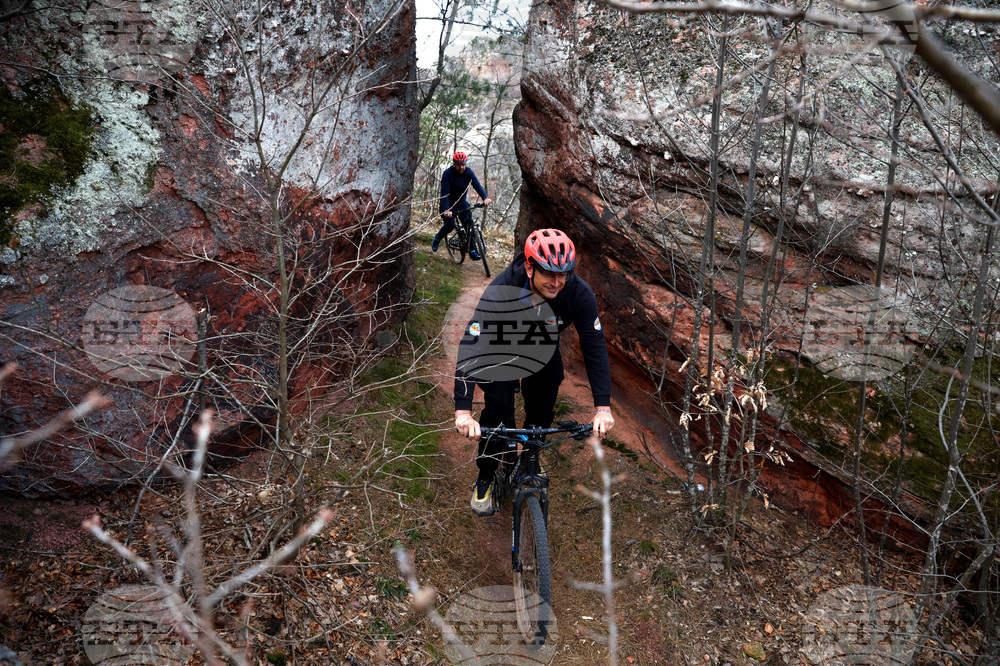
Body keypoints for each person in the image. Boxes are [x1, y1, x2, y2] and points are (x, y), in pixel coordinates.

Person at [453, 228, 615, 515]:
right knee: (498, 410)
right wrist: (463, 411)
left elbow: (595, 349)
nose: (557, 282)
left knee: (544, 403)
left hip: (542, 343)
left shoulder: (578, 293)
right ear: (529, 268)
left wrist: (603, 407)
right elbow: (472, 344)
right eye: (548, 274)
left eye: (563, 274)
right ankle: (486, 475)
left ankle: (531, 453)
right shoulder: (502, 290)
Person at [431, 151, 491, 259]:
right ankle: (437, 238)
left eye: (463, 164)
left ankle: (472, 250)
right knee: (450, 225)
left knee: (469, 225)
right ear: (454, 164)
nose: (461, 167)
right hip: (448, 204)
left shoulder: (468, 172)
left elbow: (476, 184)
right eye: (459, 164)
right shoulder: (448, 174)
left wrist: (485, 197)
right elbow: (444, 194)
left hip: (461, 203)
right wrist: (446, 210)